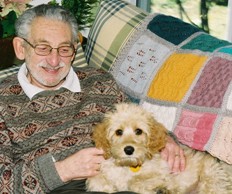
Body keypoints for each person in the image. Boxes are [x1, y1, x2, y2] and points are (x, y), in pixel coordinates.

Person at [0, 4, 185, 194]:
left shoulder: (100, 80)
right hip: (62, 188)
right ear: (20, 48)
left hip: (125, 176)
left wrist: (165, 141)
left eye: (64, 49)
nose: (54, 61)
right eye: (43, 48)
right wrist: (62, 171)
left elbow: (137, 120)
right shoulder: (3, 100)